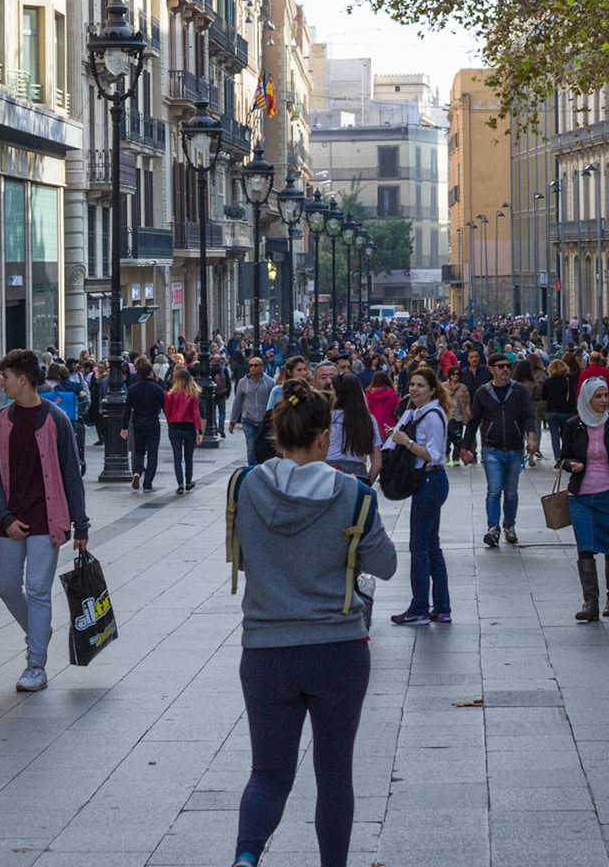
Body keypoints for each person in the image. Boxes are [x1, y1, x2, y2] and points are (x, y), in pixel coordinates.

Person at [228, 378, 397, 867]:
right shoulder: (355, 495)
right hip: (336, 648)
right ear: (324, 437)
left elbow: (242, 558)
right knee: (334, 772)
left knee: (267, 774)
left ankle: (246, 857)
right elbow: (383, 565)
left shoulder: (244, 486)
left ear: (276, 435)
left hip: (265, 649)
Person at [0, 349, 90, 692]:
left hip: (47, 518)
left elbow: (71, 474)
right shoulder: (0, 421)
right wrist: (4, 516)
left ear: (23, 380)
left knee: (39, 590)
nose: (1, 383)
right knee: (6, 585)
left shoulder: (55, 419)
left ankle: (35, 665)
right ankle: (38, 630)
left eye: (6, 377)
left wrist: (81, 525)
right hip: (9, 521)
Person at [560, 377, 609, 622]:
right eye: (598, 396)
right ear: (587, 399)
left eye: (606, 395)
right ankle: (590, 603)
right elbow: (562, 458)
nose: (604, 400)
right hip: (581, 497)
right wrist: (569, 464)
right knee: (585, 547)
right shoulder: (573, 426)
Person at [386, 365, 454, 626]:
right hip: (427, 481)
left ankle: (420, 608)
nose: (413, 389)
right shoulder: (415, 413)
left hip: (430, 479)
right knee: (430, 546)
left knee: (419, 547)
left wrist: (407, 443)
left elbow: (435, 454)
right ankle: (442, 606)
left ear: (432, 390)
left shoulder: (433, 416)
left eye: (420, 386)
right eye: (412, 384)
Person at [467, 354, 539, 548]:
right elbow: (474, 421)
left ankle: (509, 525)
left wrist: (531, 438)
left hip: (515, 448)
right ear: (491, 369)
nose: (505, 369)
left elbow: (528, 415)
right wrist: (465, 448)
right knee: (494, 490)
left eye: (508, 366)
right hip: (492, 449)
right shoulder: (483, 392)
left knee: (511, 492)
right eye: (500, 366)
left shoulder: (519, 391)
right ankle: (493, 529)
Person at [121, 354, 167, 493]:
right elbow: (165, 406)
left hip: (137, 423)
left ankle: (136, 472)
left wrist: (124, 427)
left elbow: (127, 409)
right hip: (152, 423)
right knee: (152, 453)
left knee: (138, 451)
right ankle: (148, 483)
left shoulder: (133, 389)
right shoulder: (156, 388)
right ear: (150, 373)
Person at [327, 372, 379, 481]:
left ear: (338, 394)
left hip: (329, 476)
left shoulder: (327, 418)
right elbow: (377, 464)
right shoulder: (368, 420)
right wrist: (366, 486)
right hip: (358, 476)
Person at [164, 365, 202, 495]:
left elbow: (167, 412)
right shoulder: (192, 395)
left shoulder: (170, 395)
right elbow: (196, 413)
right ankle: (188, 481)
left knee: (177, 457)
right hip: (189, 427)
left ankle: (180, 483)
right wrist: (199, 431)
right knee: (189, 457)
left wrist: (170, 424)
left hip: (175, 427)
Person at [228, 356, 272, 467]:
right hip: (248, 420)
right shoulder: (243, 383)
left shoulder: (269, 383)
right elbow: (237, 402)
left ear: (262, 367)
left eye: (256, 365)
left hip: (264, 421)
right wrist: (232, 421)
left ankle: (262, 468)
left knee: (263, 447)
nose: (253, 368)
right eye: (251, 365)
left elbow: (273, 403)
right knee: (251, 448)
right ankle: (252, 470)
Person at [541, 358, 575, 462]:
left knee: (554, 435)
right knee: (565, 435)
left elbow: (543, 396)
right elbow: (573, 397)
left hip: (551, 411)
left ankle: (557, 457)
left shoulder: (548, 382)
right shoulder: (567, 382)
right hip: (565, 411)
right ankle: (565, 454)